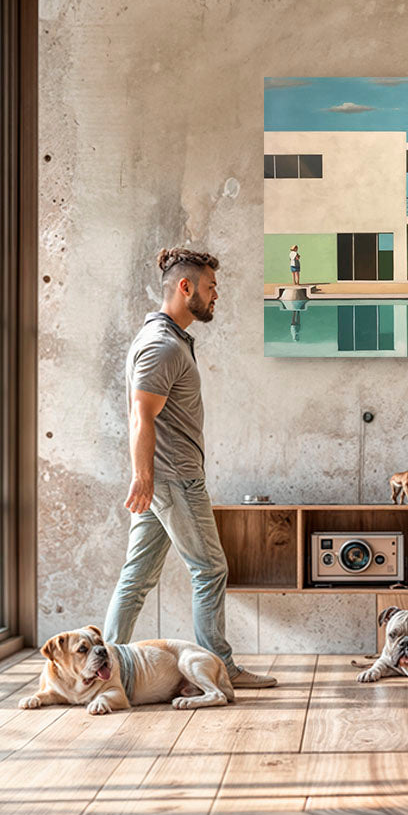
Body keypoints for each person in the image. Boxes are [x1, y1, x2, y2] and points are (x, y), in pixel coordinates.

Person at [104, 247, 277, 688]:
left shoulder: (169, 340)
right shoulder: (162, 346)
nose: (216, 295)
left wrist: (149, 479)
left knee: (138, 576)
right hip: (174, 478)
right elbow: (141, 415)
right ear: (186, 288)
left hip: (163, 479)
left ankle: (101, 666)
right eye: (211, 287)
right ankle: (222, 670)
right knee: (210, 569)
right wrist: (143, 477)